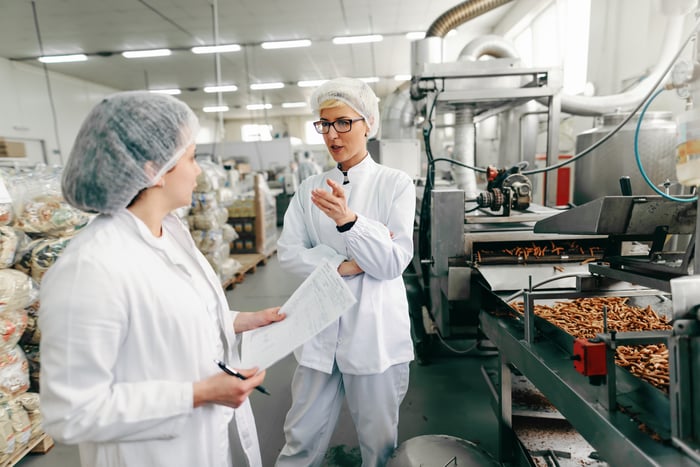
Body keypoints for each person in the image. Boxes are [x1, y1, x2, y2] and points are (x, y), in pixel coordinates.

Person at [38, 91, 285, 467]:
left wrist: (239, 321)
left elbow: (169, 317)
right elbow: (71, 413)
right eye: (191, 157)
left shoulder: (168, 232)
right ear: (154, 170)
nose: (199, 171)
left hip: (198, 446)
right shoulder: (90, 268)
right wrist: (197, 394)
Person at [276, 77, 416, 466]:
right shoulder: (308, 189)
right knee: (300, 440)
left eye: (343, 123)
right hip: (318, 332)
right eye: (325, 124)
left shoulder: (395, 184)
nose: (332, 135)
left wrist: (350, 222)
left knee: (379, 446)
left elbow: (391, 262)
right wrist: (341, 263)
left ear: (368, 123)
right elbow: (287, 253)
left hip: (374, 336)